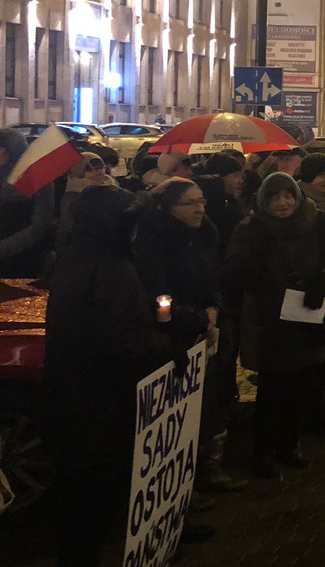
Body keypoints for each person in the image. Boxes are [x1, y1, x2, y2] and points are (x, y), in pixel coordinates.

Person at [43, 186, 211, 563]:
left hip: (78, 396)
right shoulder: (110, 268)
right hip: (99, 401)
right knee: (92, 498)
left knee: (88, 492)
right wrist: (171, 349)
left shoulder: (81, 256)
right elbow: (123, 340)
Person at [225, 173, 325, 479]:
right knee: (272, 391)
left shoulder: (317, 221)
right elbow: (234, 266)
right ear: (264, 202)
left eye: (287, 196)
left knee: (303, 387)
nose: (282, 203)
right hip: (271, 322)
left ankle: (289, 445)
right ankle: (263, 452)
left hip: (309, 316)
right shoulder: (252, 228)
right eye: (274, 198)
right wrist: (261, 278)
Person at [133, 178, 247, 494]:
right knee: (183, 409)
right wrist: (194, 319)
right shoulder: (154, 244)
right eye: (190, 203)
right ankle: (181, 484)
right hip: (178, 340)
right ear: (168, 208)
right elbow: (158, 296)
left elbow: (214, 278)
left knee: (213, 399)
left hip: (208, 331)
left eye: (201, 201)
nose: (199, 208)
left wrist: (213, 306)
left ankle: (211, 467)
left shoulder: (202, 238)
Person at [0, 128, 54, 277]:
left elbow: (39, 225)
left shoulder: (37, 178)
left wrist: (4, 248)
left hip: (22, 262)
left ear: (4, 150)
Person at [55, 151, 117, 253]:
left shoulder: (114, 188)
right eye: (90, 169)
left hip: (111, 250)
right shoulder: (72, 196)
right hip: (82, 252)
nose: (98, 171)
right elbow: (68, 228)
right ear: (79, 172)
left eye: (101, 167)